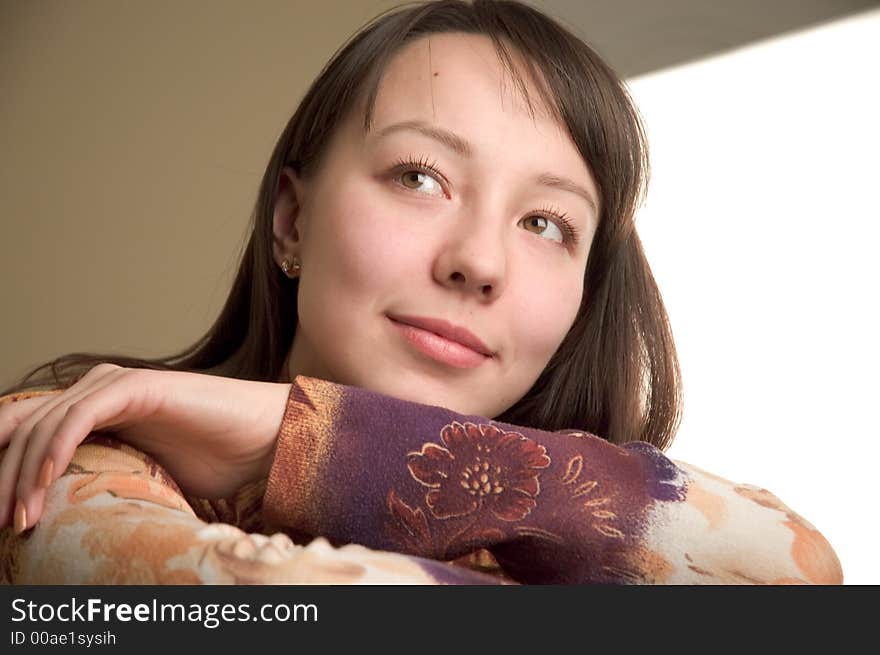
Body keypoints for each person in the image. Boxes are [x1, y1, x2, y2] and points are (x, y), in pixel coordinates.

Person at [0, 0, 842, 584]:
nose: (478, 261)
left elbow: (801, 570)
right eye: (420, 176)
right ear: (292, 220)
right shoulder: (72, 441)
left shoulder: (600, 528)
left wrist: (295, 441)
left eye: (546, 223)